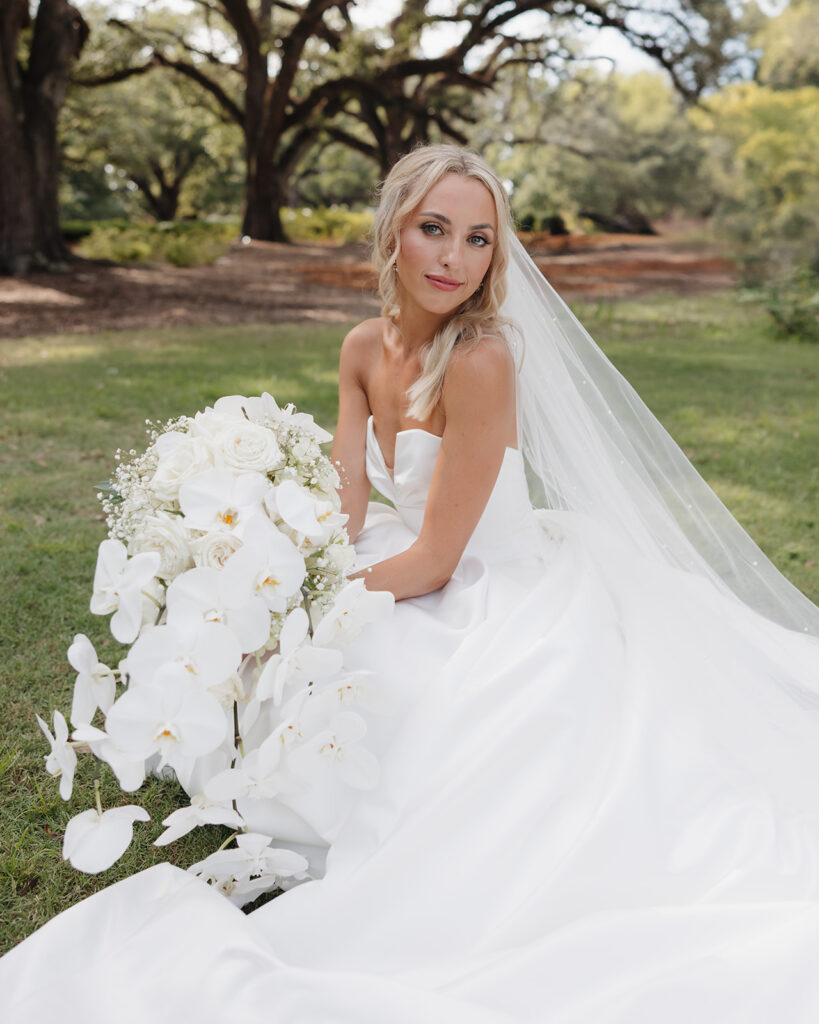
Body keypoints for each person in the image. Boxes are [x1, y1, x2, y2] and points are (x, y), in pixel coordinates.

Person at [2, 143, 819, 1023]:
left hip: (485, 573)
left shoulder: (481, 360)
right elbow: (350, 511)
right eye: (434, 230)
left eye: (476, 239)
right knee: (297, 656)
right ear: (393, 229)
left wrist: (308, 618)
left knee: (394, 677)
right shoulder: (361, 345)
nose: (452, 260)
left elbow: (436, 560)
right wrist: (272, 574)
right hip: (404, 549)